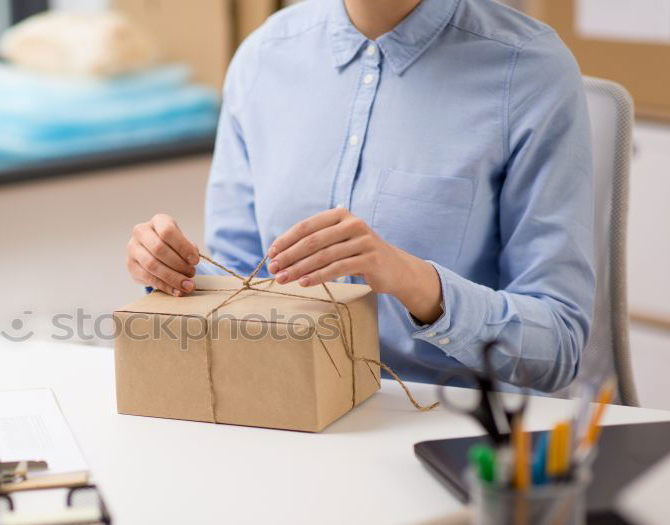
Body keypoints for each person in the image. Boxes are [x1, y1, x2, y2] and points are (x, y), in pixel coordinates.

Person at [125, 0, 594, 392]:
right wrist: (173, 271)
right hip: (284, 404)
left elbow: (558, 349)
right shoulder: (264, 57)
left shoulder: (528, 69)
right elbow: (243, 280)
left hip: (448, 427)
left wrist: (413, 280)